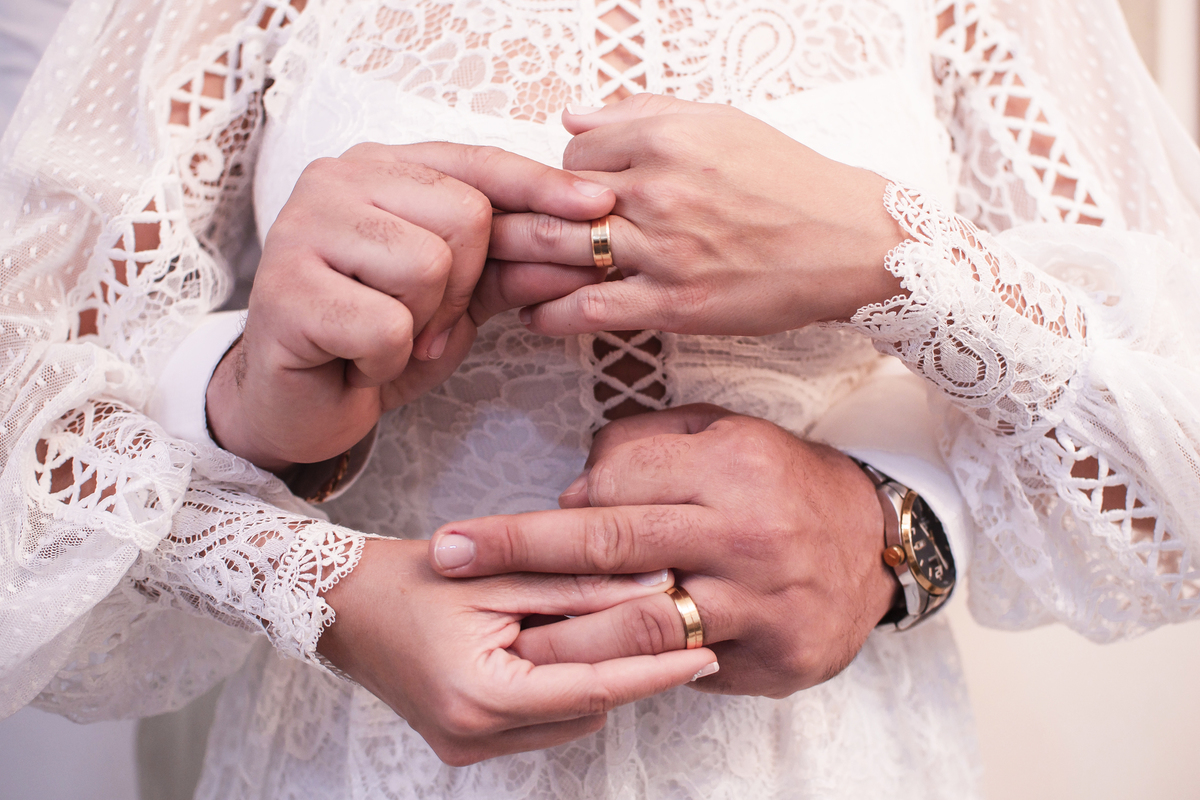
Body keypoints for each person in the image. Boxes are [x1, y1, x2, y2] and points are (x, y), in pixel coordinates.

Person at [1, 0, 1198, 798]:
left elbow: (1173, 427)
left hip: (840, 760)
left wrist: (897, 272)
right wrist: (290, 507)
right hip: (357, 761)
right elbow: (24, 400)